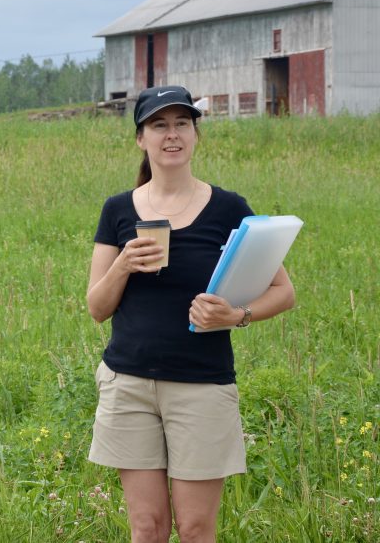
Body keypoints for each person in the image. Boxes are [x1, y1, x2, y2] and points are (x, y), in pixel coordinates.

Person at [85, 85, 295, 543]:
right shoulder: (118, 209)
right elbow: (97, 309)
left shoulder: (229, 208)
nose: (172, 134)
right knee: (147, 527)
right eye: (159, 125)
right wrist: (123, 264)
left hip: (201, 385)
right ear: (140, 138)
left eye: (182, 123)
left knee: (197, 528)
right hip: (128, 384)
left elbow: (284, 292)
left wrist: (235, 315)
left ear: (196, 135)